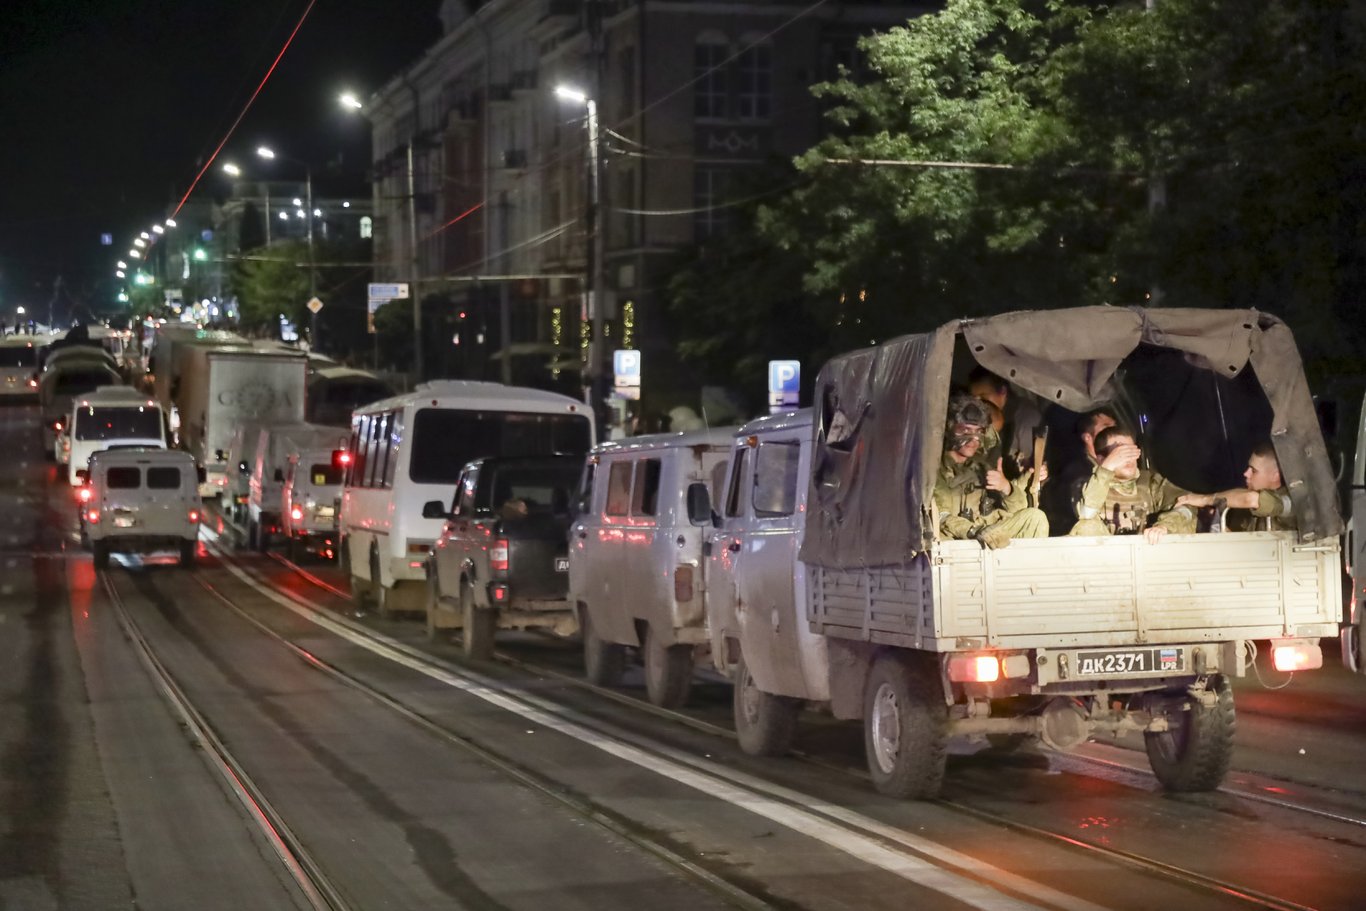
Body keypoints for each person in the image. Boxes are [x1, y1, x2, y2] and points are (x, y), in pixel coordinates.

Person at [933, 395, 1049, 549]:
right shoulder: (935, 469)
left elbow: (1018, 508)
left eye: (978, 431)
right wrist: (974, 531)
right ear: (950, 429)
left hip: (988, 532)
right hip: (959, 540)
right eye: (966, 430)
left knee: (1035, 517)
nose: (974, 439)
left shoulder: (980, 466)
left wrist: (1006, 487)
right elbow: (941, 517)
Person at [1069, 426, 1196, 542]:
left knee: (1184, 523)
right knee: (1085, 526)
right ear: (1102, 458)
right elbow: (1087, 513)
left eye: (1132, 451)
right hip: (1108, 560)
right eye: (1121, 453)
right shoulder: (1088, 485)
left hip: (1150, 553)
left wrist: (1164, 526)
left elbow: (1186, 505)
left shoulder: (1152, 484)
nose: (1129, 458)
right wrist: (1106, 469)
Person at [1175, 441, 1295, 531]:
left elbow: (1251, 499)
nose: (1246, 474)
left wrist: (1205, 499)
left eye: (1253, 471)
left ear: (1276, 476)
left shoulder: (1292, 502)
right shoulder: (1241, 505)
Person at [968, 366, 1045, 469]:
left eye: (983, 397)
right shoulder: (978, 419)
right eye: (974, 399)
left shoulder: (1027, 418)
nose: (978, 403)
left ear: (1002, 391)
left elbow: (1032, 467)